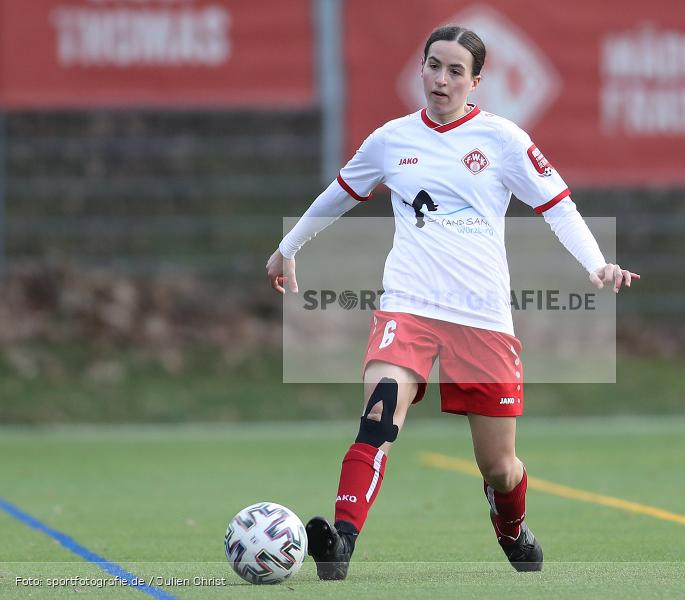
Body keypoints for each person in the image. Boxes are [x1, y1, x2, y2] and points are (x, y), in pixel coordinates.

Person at [266, 25, 639, 581]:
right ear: (420, 69)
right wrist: (286, 250)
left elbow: (558, 204)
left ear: (476, 81)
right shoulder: (391, 139)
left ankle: (512, 529)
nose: (441, 79)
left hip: (482, 319)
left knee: (499, 466)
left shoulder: (503, 140)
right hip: (408, 307)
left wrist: (596, 263)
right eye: (433, 66)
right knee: (377, 417)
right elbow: (338, 195)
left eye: (455, 70)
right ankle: (340, 543)